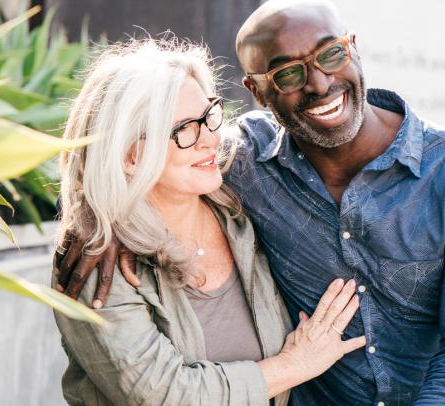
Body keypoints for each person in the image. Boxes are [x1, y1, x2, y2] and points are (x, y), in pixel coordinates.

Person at [54, 1, 445, 405]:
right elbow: (138, 163)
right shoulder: (242, 165)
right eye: (289, 73)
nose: (319, 84)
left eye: (331, 54)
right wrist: (100, 220)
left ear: (353, 48)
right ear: (256, 91)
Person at [52, 38, 367, 406]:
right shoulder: (98, 269)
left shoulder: (239, 202)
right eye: (184, 129)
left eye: (209, 115)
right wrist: (295, 364)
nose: (211, 139)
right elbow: (168, 395)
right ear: (129, 156)